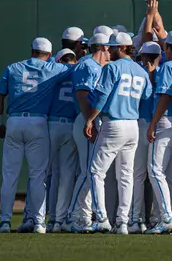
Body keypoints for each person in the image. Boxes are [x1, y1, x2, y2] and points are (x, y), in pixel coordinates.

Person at [0, 38, 72, 233]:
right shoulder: (53, 69)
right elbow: (75, 69)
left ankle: (5, 222)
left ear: (32, 50)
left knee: (9, 176)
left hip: (14, 121)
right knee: (38, 176)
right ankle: (39, 223)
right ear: (49, 53)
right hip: (38, 122)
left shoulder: (13, 68)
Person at [83, 32, 152, 234]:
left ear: (121, 48)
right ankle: (122, 222)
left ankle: (102, 218)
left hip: (114, 123)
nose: (109, 50)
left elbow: (102, 96)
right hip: (133, 124)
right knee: (126, 175)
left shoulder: (111, 67)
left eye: (112, 47)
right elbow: (147, 96)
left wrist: (90, 118)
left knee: (96, 172)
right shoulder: (140, 71)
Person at [61, 33, 111, 233]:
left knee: (90, 173)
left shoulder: (98, 66)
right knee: (87, 172)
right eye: (109, 47)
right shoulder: (86, 65)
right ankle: (71, 217)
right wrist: (90, 121)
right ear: (103, 48)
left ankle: (82, 217)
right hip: (86, 120)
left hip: (92, 119)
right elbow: (82, 94)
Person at [146, 31, 172, 235]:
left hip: (166, 120)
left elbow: (164, 97)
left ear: (168, 48)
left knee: (155, 170)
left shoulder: (168, 67)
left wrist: (153, 123)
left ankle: (166, 218)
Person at [129, 41, 162, 234]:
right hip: (163, 125)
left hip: (142, 124)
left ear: (142, 57)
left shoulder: (139, 73)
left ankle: (138, 219)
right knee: (161, 175)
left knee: (138, 174)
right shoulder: (168, 71)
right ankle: (160, 218)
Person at [46, 49, 79, 233]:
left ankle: (44, 218)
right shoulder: (78, 71)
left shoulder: (52, 72)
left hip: (52, 124)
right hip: (71, 124)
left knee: (46, 174)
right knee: (66, 176)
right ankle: (59, 220)